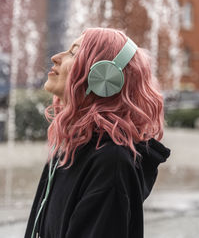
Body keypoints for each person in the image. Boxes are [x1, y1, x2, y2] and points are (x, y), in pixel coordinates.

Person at [24, 27, 171, 238]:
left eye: (73, 53)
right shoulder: (70, 148)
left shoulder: (111, 163)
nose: (56, 58)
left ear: (104, 76)